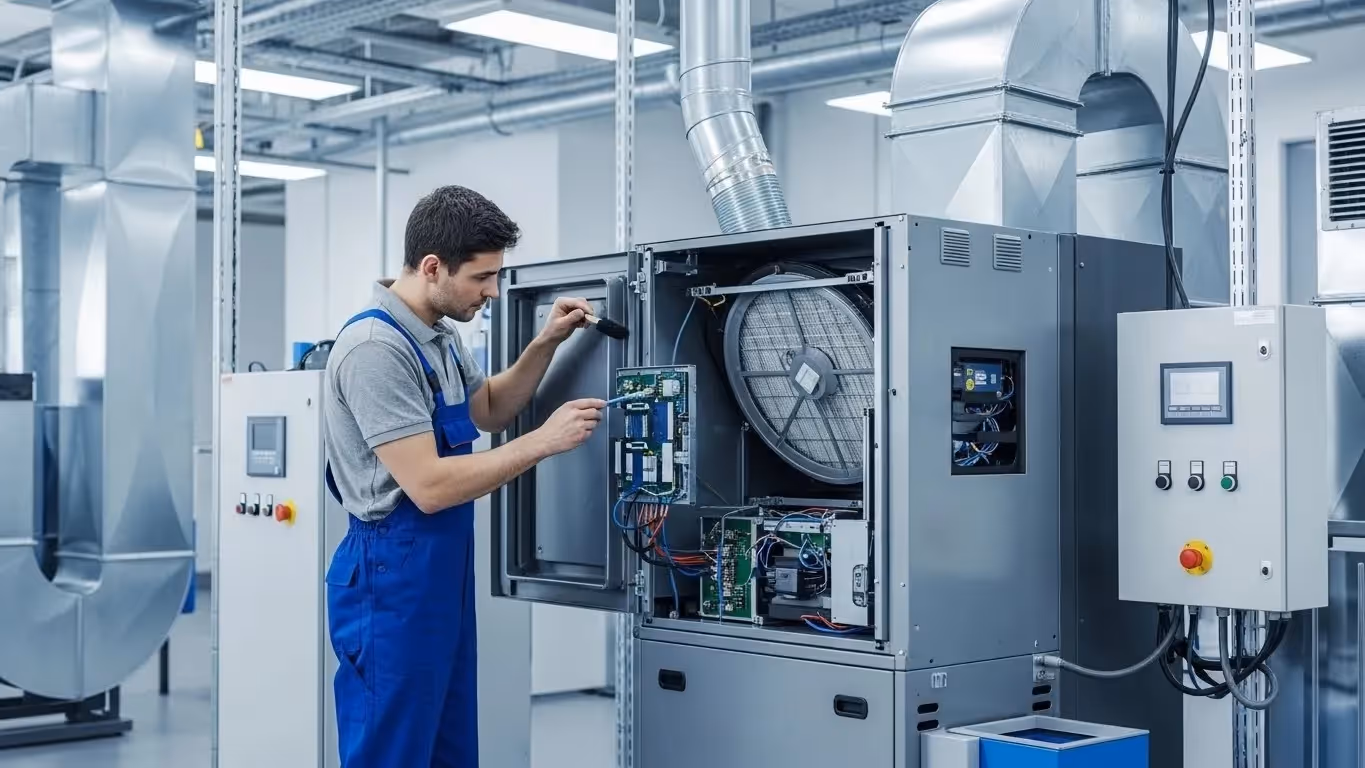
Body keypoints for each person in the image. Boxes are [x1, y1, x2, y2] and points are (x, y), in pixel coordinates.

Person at [322, 185, 605, 767]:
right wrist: (543, 442)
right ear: (433, 268)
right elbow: (427, 486)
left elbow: (490, 407)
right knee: (393, 751)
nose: (492, 292)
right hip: (389, 578)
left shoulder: (439, 336)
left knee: (448, 745)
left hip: (436, 575)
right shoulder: (376, 348)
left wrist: (547, 341)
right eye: (481, 278)